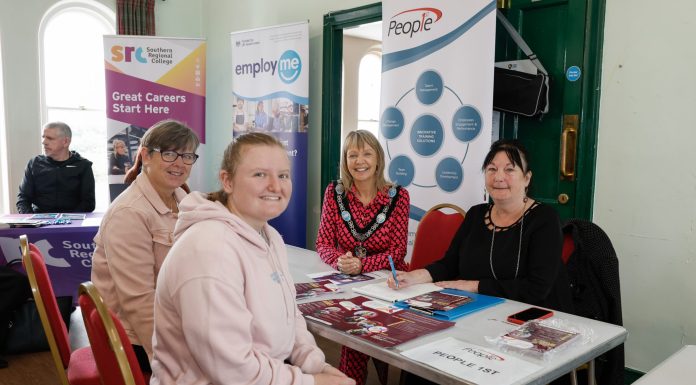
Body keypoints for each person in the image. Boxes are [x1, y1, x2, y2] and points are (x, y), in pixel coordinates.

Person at [150, 132, 354, 385]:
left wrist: (314, 363)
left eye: (283, 175)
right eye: (259, 174)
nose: (276, 186)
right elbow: (233, 371)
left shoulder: (270, 236)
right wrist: (310, 381)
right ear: (227, 180)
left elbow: (290, 314)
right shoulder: (210, 249)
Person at [388, 140, 573, 384]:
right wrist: (415, 275)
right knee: (422, 358)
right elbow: (449, 264)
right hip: (478, 316)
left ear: (527, 178)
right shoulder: (476, 214)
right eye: (492, 169)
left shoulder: (544, 220)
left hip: (528, 324)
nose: (499, 177)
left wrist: (475, 285)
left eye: (510, 169)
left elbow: (537, 289)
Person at [91, 120, 200, 374]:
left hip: (178, 320)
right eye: (169, 153)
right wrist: (169, 363)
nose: (180, 163)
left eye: (186, 155)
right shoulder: (129, 213)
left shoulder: (185, 200)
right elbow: (139, 301)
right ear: (146, 156)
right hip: (136, 339)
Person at [316, 130, 410, 385]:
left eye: (367, 153)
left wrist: (362, 265)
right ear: (345, 161)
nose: (360, 161)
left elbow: (397, 251)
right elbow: (323, 243)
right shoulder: (334, 193)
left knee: (367, 333)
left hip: (391, 283)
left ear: (378, 158)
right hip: (349, 283)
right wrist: (340, 261)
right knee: (354, 332)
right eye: (353, 154)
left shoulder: (398, 196)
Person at [16, 122, 95, 213]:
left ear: (65, 142)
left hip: (73, 222)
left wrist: (69, 220)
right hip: (39, 221)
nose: (44, 142)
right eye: (43, 137)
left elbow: (88, 203)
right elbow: (23, 198)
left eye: (50, 138)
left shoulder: (83, 165)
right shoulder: (34, 164)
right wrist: (30, 221)